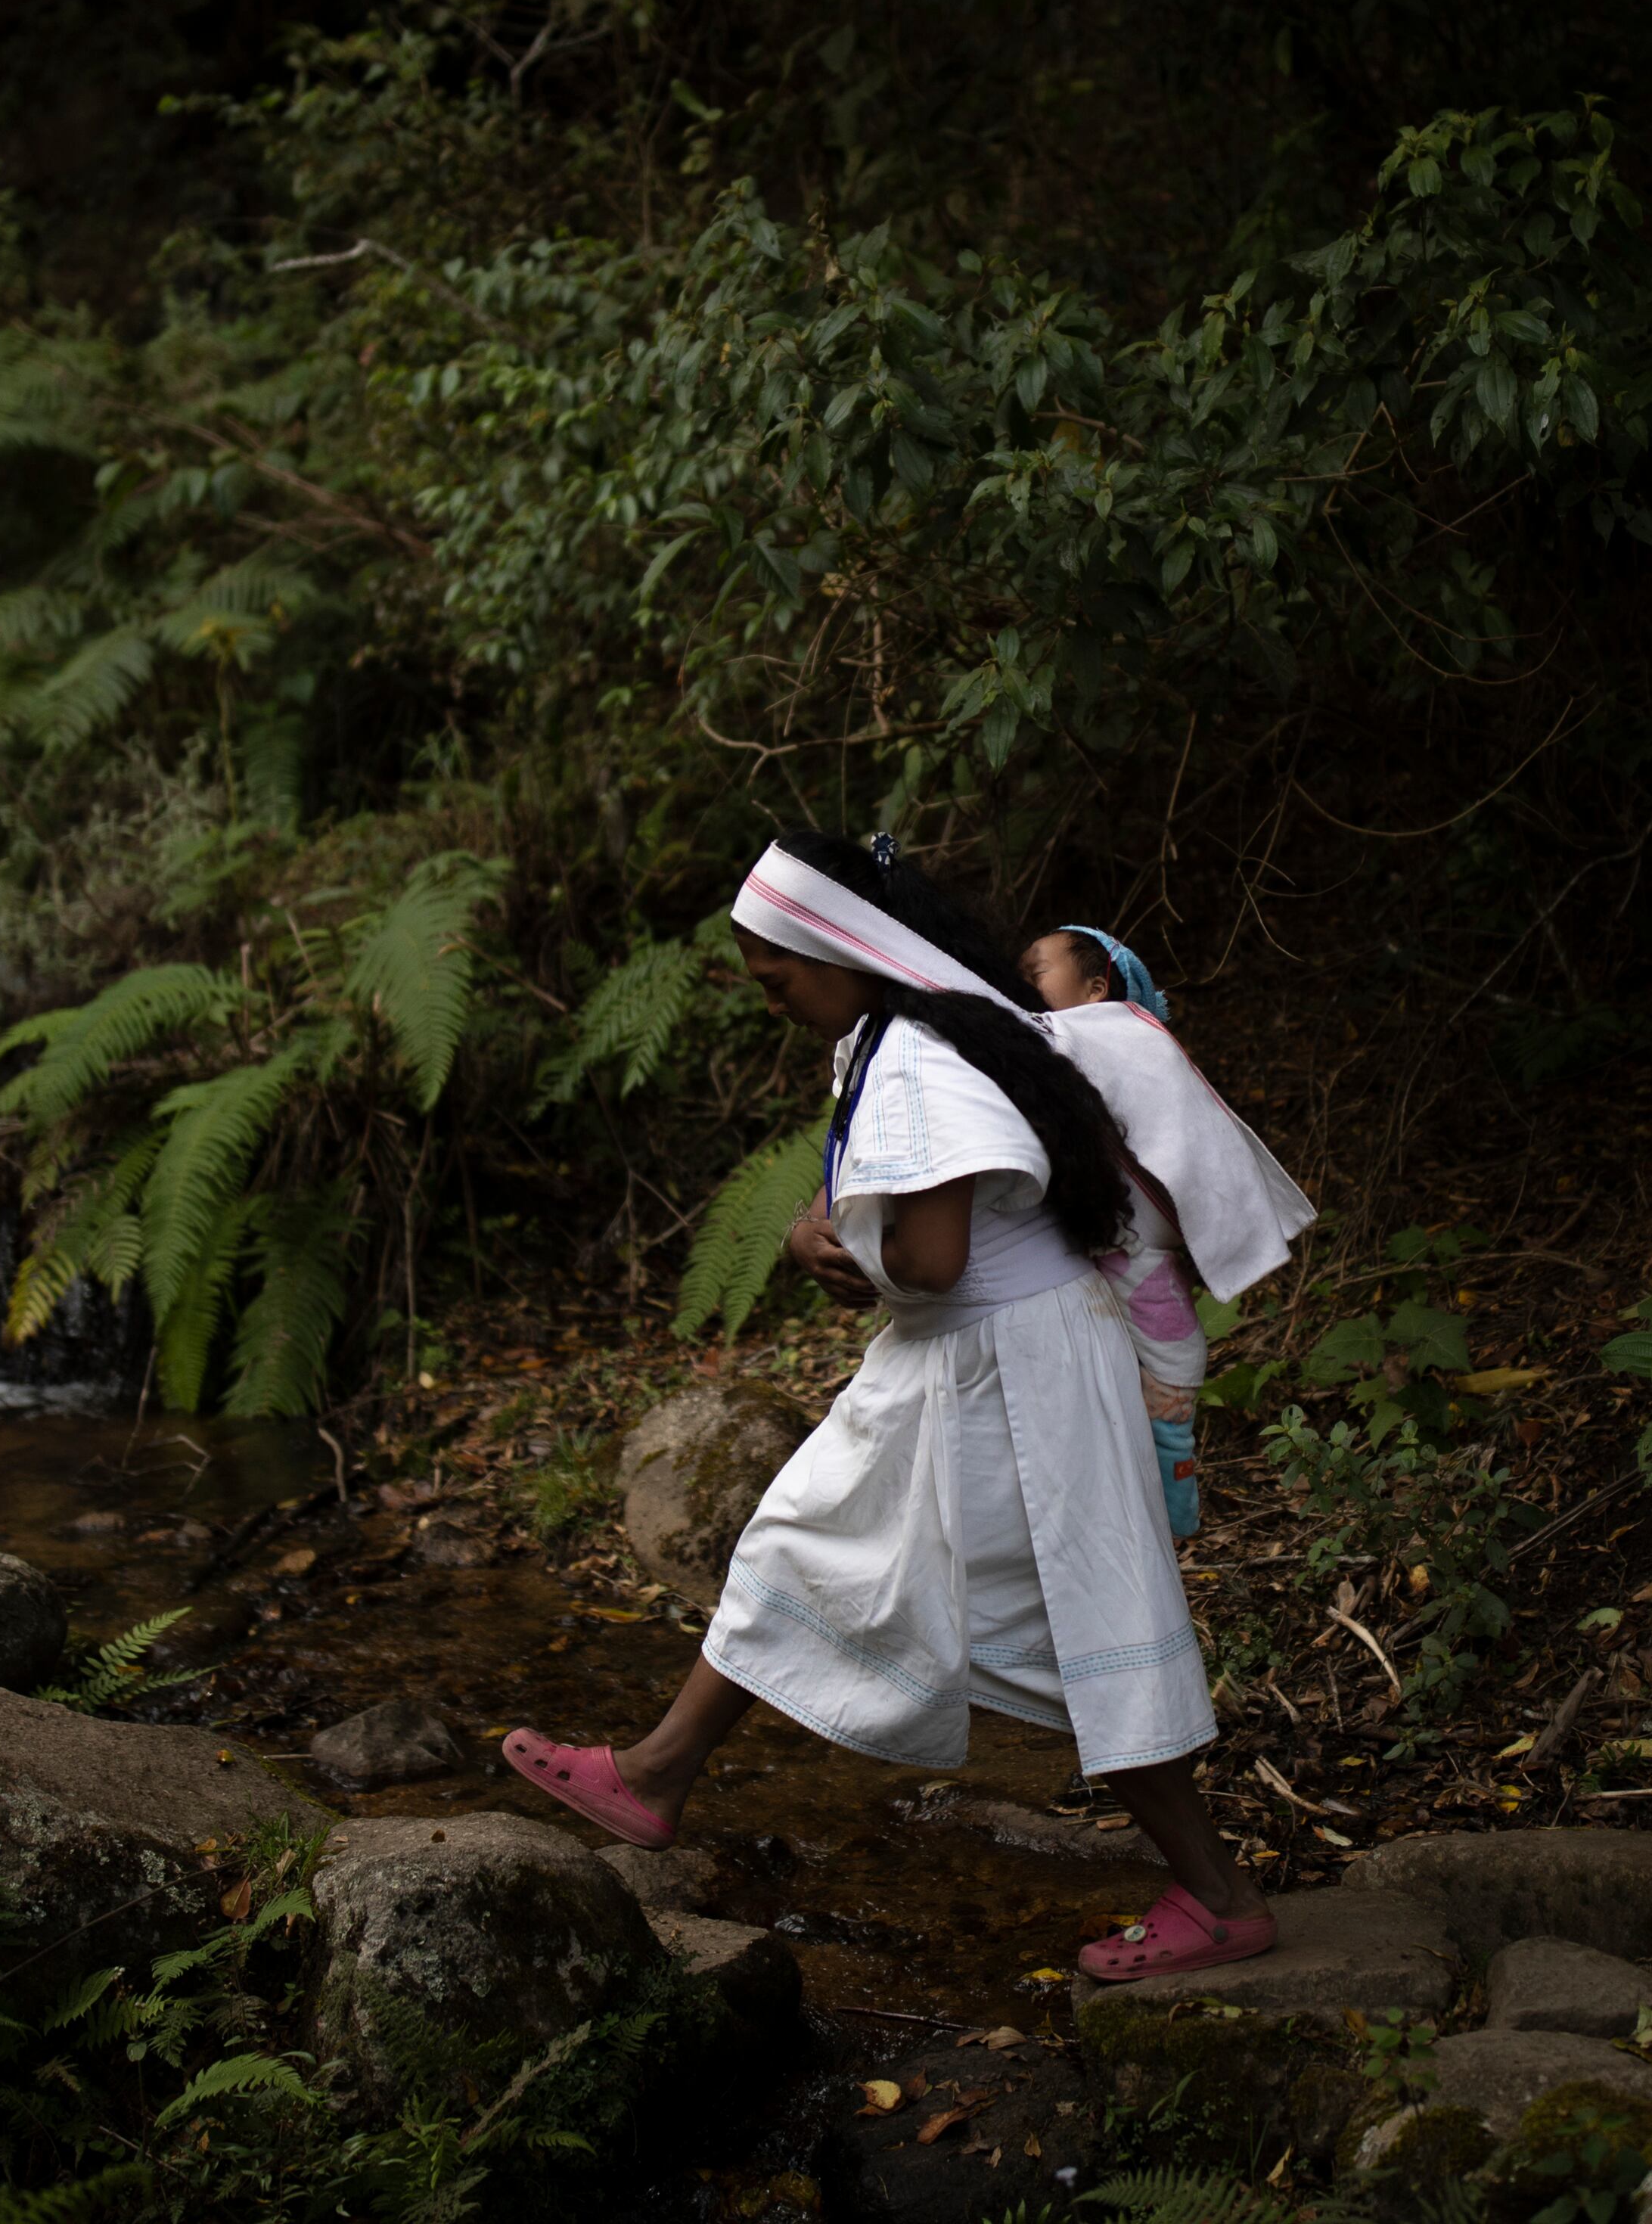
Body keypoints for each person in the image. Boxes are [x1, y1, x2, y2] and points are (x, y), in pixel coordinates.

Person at [502, 833, 1276, 1980]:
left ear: (842, 949)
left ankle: (1217, 1898)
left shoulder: (921, 1052)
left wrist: (844, 1253)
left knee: (1081, 1623)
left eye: (780, 981)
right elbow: (895, 1195)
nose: (774, 1003)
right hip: (982, 1359)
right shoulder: (905, 1033)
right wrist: (823, 1223)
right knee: (807, 1543)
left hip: (1007, 1371)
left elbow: (932, 1256)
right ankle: (656, 1774)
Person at [1020, 922, 1318, 1540]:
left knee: (1174, 1360)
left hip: (1128, 1238)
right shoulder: (1104, 1035)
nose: (1021, 982)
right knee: (1167, 1355)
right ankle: (1166, 1487)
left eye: (1036, 971)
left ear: (1096, 987)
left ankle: (1173, 1497)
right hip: (1120, 1236)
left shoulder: (1105, 1032)